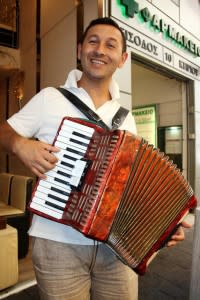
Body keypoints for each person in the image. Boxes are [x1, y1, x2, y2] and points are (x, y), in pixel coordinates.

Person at [0, 17, 191, 300]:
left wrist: (164, 226)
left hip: (115, 248)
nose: (100, 50)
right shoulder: (50, 98)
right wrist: (20, 145)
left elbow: (133, 186)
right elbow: (4, 131)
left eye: (110, 45)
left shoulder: (126, 118)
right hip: (57, 243)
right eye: (93, 41)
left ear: (122, 58)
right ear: (80, 50)